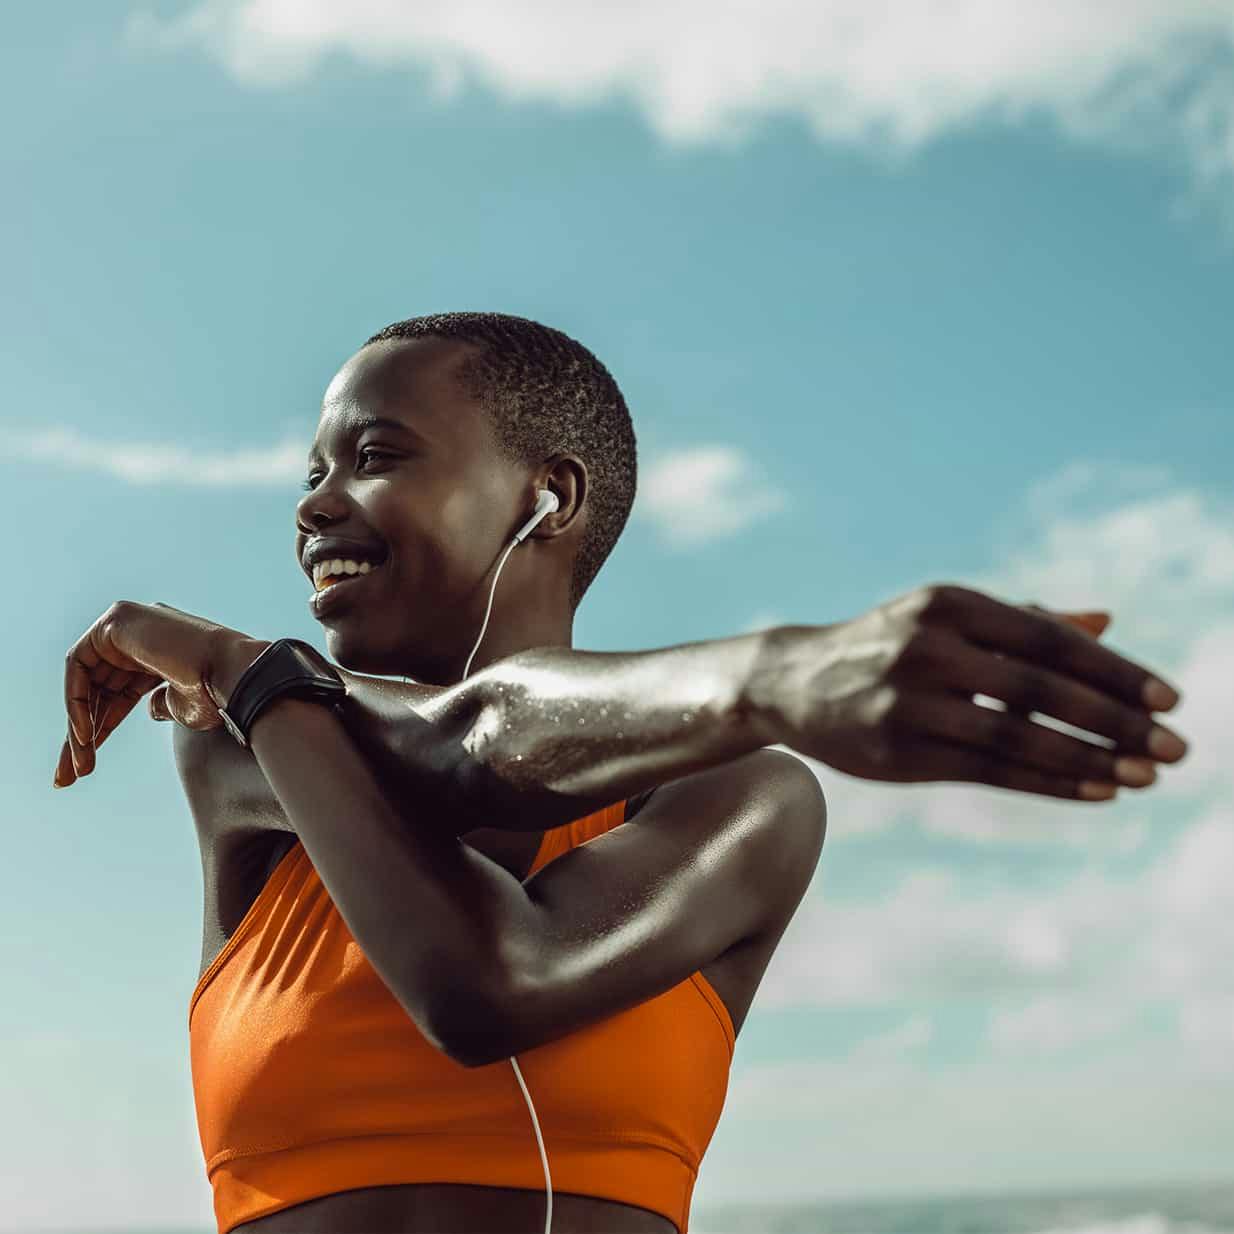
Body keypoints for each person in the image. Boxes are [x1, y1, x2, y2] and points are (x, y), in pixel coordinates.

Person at [56, 312, 1188, 1234]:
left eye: (376, 456)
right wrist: (785, 672)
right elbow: (452, 751)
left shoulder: (741, 799)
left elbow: (491, 971)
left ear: (550, 497)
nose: (312, 503)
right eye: (312, 469)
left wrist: (776, 683)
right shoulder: (242, 734)